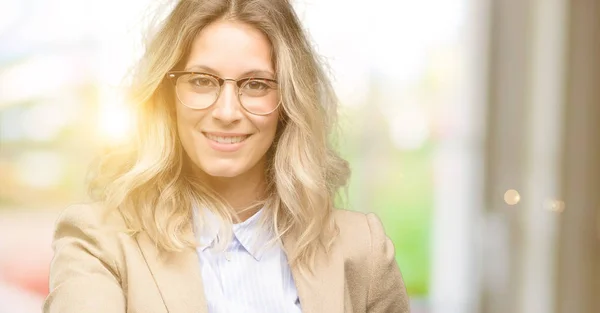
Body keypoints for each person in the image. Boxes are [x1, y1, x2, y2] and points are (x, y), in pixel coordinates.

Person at [43, 0, 410, 312]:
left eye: (256, 84)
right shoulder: (97, 243)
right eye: (202, 80)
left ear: (287, 103)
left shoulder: (362, 248)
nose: (227, 111)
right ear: (167, 96)